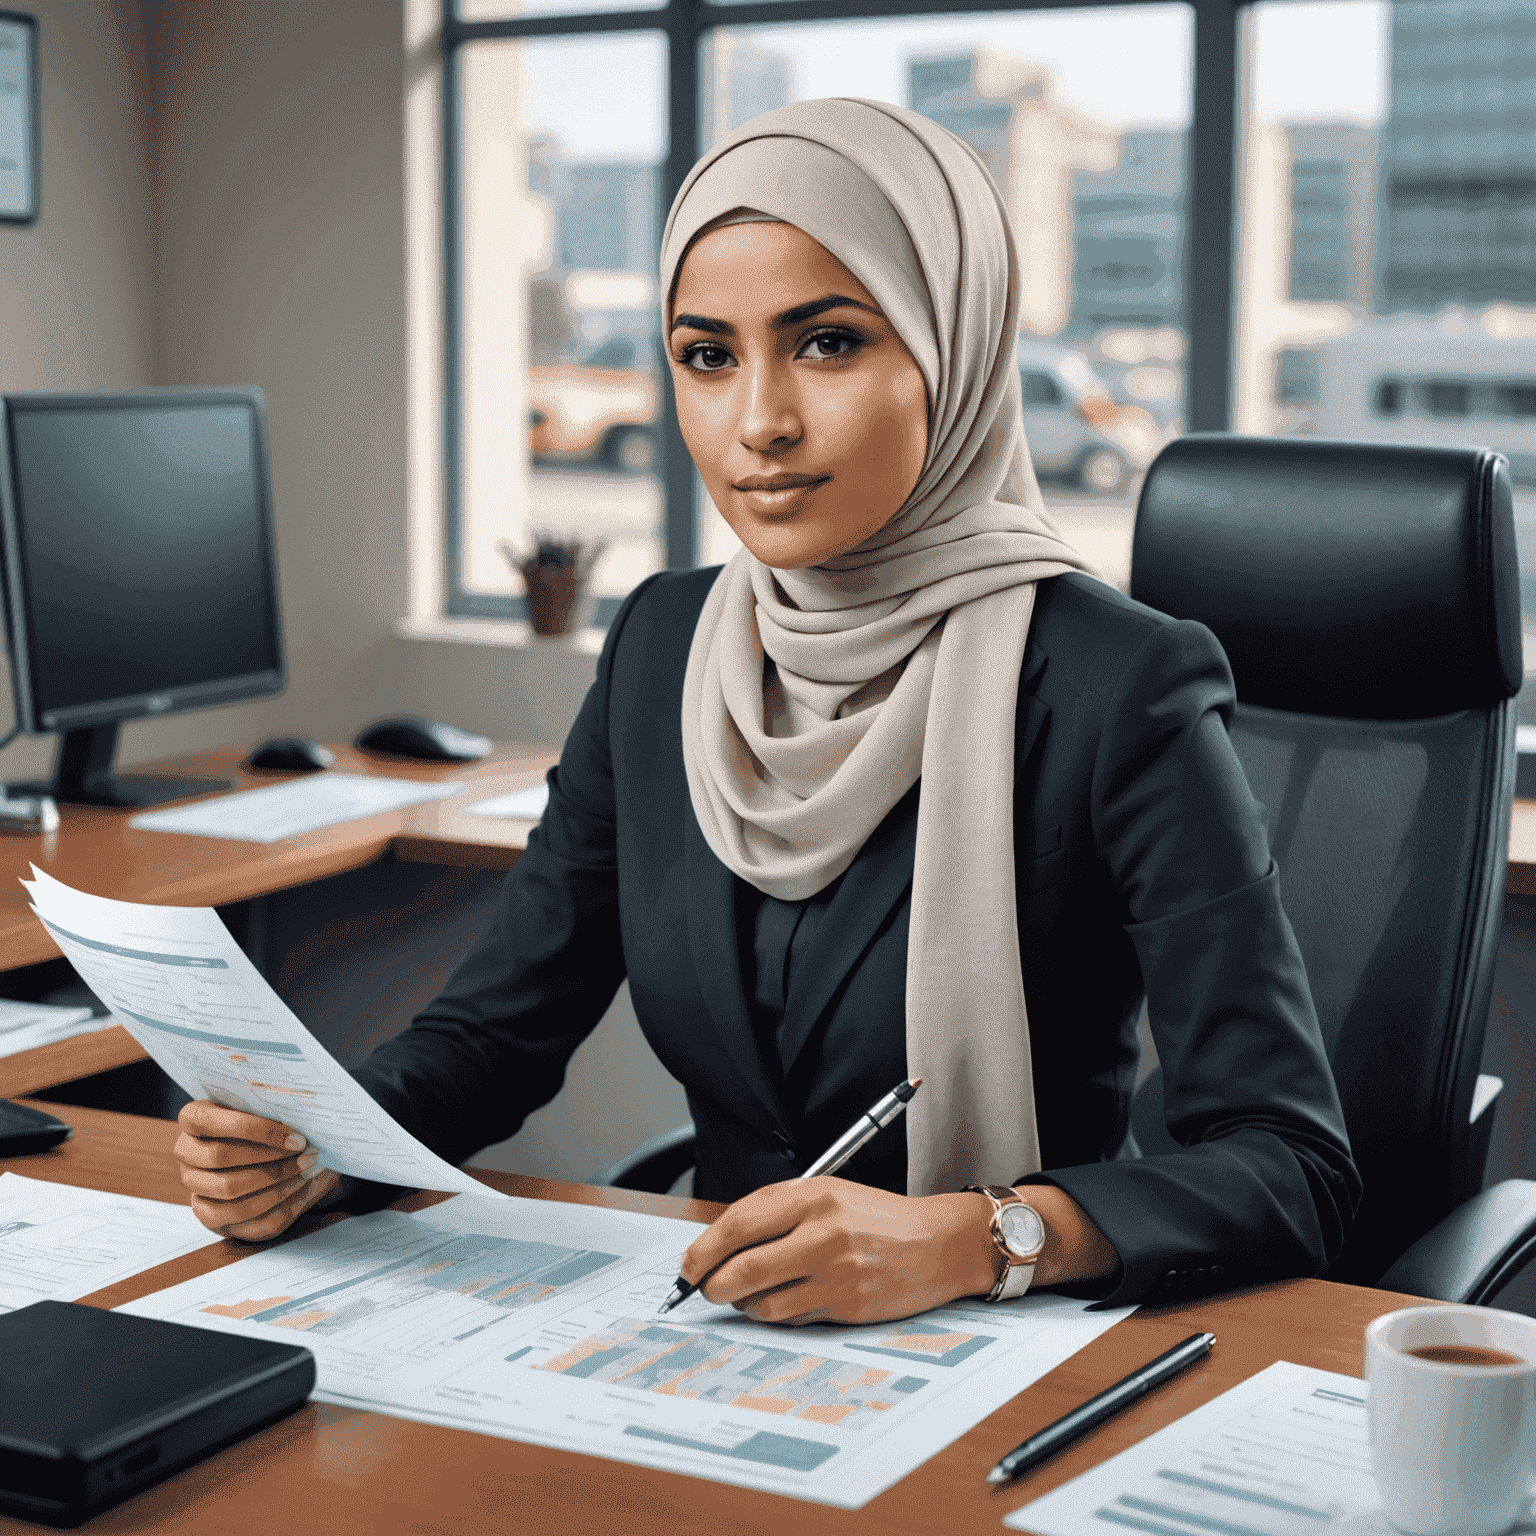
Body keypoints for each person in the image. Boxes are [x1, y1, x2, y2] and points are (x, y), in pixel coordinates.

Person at [172, 98, 1360, 1324]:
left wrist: (971, 1239)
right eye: (707, 356)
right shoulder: (660, 647)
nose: (760, 424)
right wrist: (324, 1144)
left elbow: (1290, 1166)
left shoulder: (1121, 682)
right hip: (730, 1340)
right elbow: (494, 1033)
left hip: (1009, 1353)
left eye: (829, 342)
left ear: (953, 351)